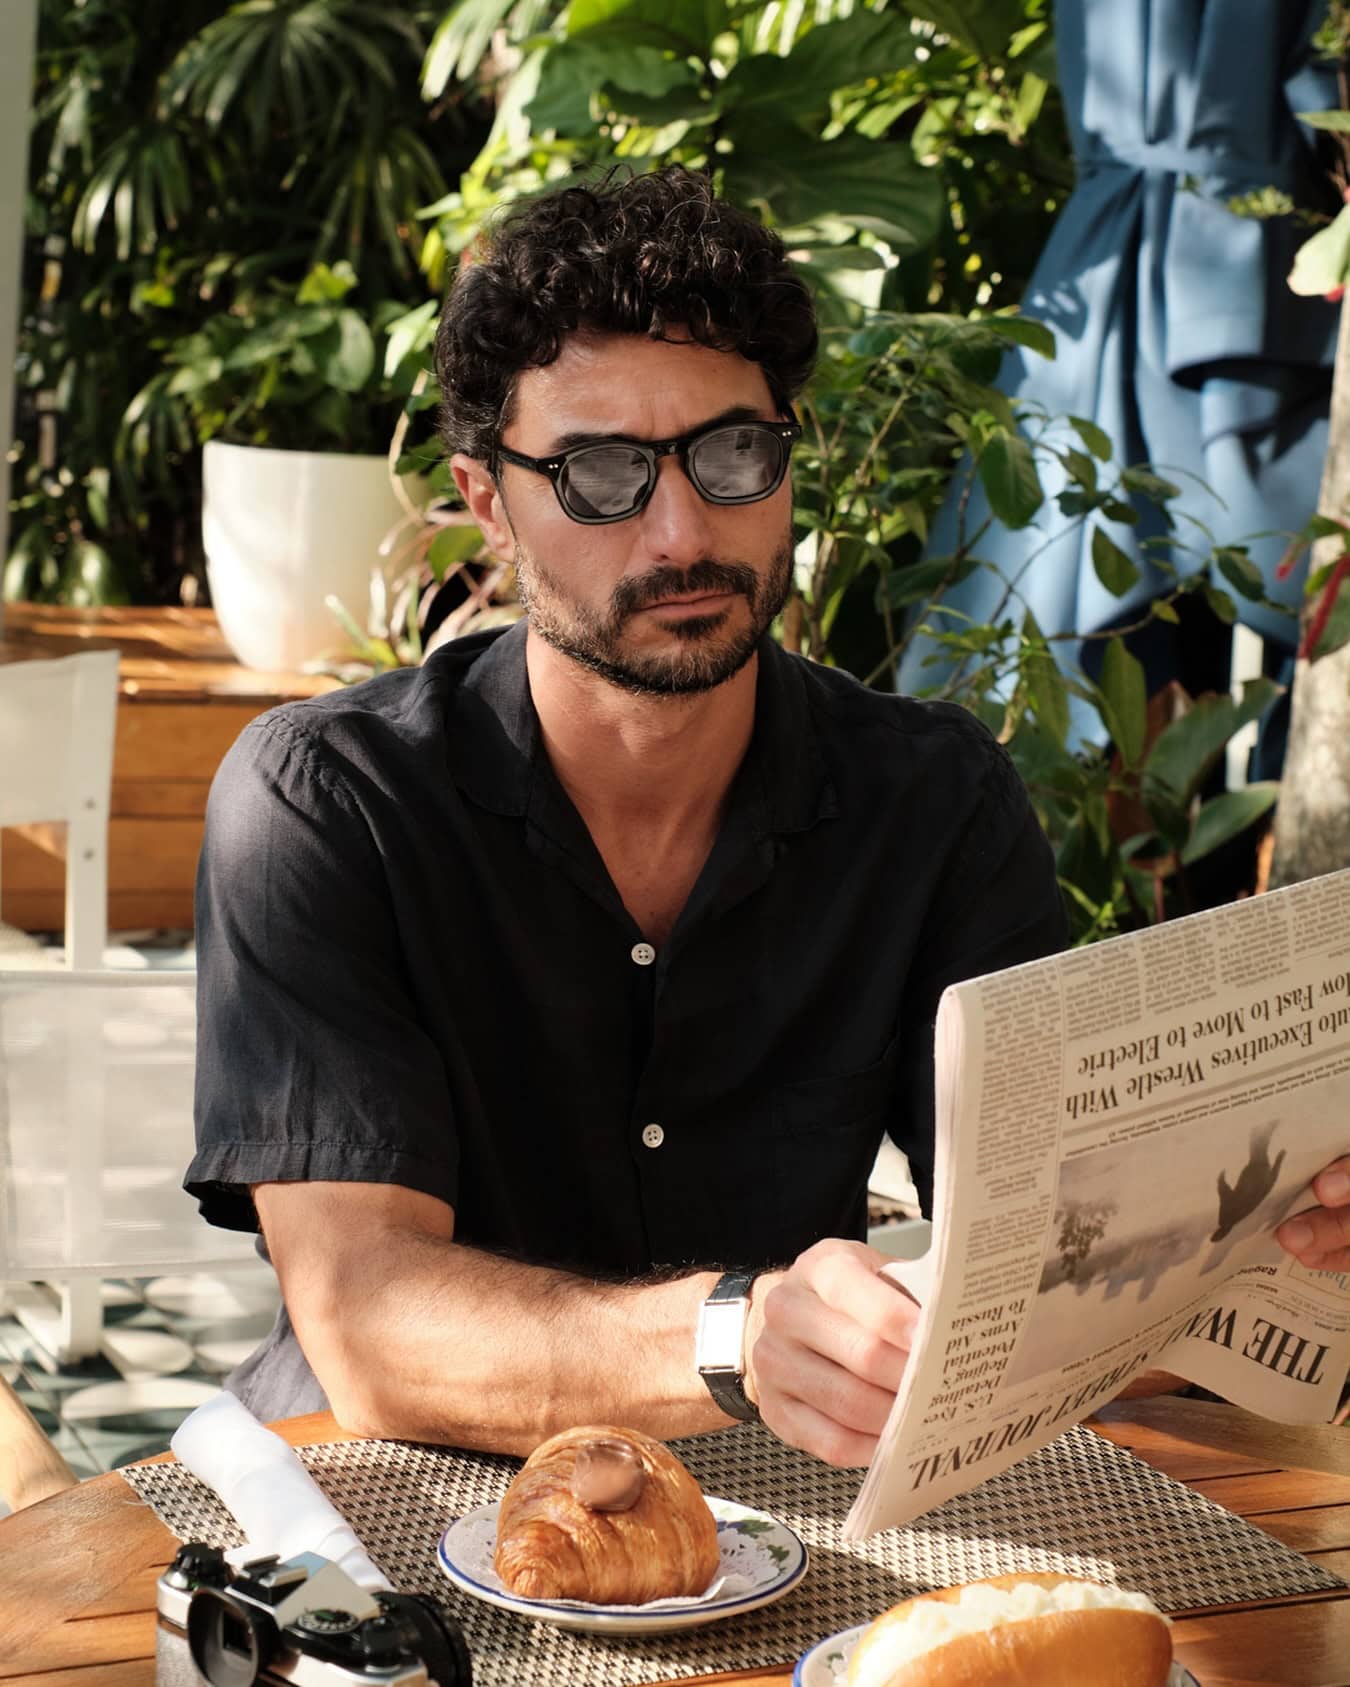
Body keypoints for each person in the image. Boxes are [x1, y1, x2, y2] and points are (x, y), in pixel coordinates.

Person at [187, 166, 1350, 1465]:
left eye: (732, 453)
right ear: (487, 501)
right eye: (600, 473)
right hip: (369, 1498)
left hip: (772, 1516)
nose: (681, 533)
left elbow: (1050, 1270)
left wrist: (1275, 1248)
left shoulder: (931, 801)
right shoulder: (329, 803)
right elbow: (366, 1323)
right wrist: (734, 1337)